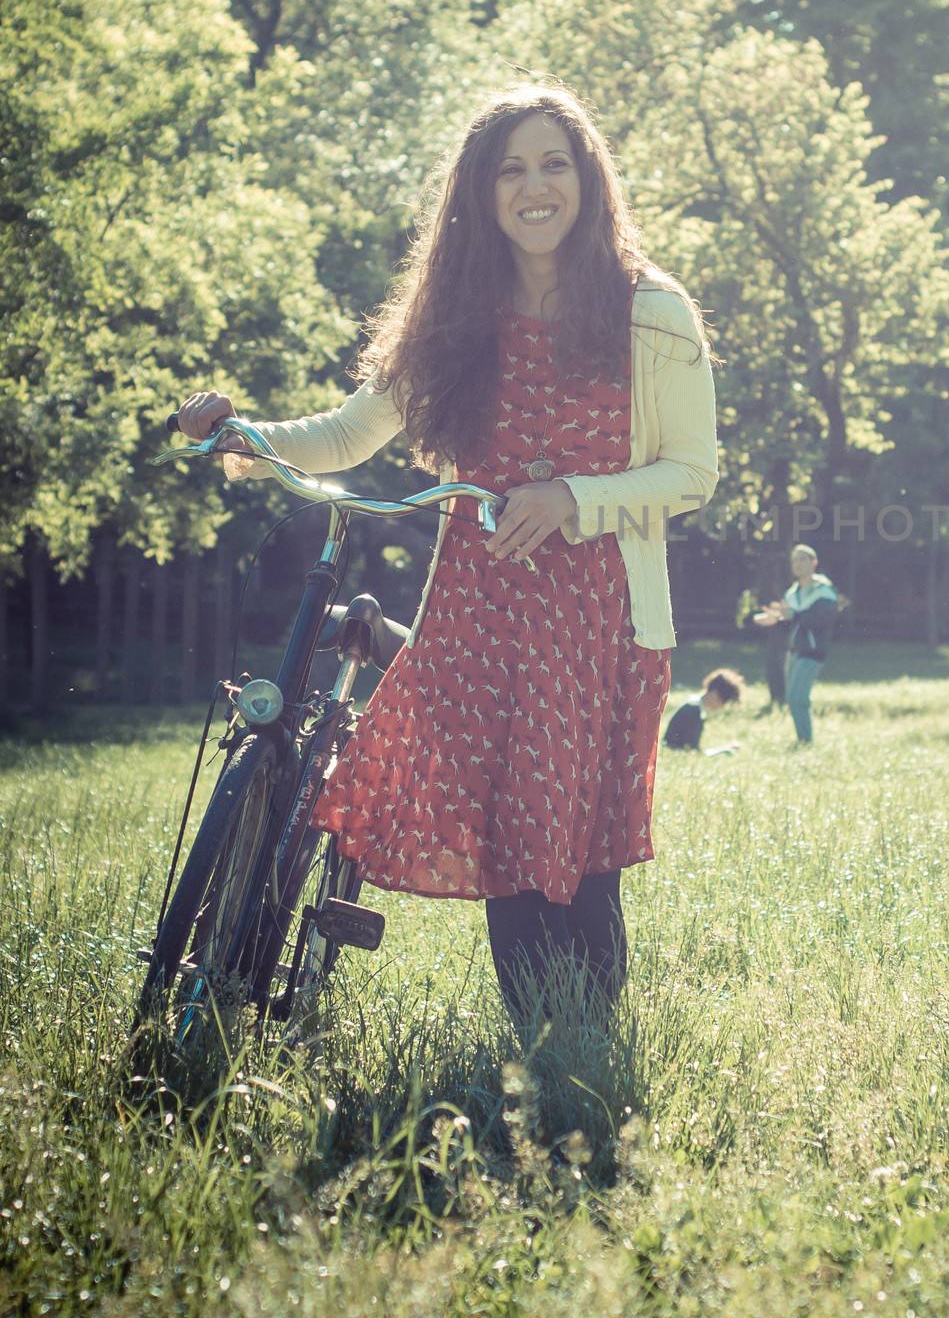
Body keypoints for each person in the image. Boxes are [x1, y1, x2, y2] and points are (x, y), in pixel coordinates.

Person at [174, 82, 718, 1030]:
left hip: (604, 616)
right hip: (477, 613)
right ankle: (543, 1040)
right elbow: (349, 436)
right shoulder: (455, 315)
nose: (535, 186)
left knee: (579, 856)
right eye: (511, 169)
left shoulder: (653, 313)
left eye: (556, 164)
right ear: (479, 192)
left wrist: (573, 500)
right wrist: (250, 437)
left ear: (589, 181)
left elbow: (692, 473)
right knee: (515, 838)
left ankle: (582, 1051)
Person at [753, 544, 839, 744]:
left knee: (797, 697)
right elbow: (790, 621)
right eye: (794, 560)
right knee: (793, 698)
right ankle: (803, 739)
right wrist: (775, 619)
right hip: (794, 651)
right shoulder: (792, 593)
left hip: (812, 651)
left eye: (803, 559)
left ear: (814, 562)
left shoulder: (824, 591)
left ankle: (806, 740)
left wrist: (793, 615)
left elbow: (821, 620)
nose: (798, 564)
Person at [662, 668, 744, 753]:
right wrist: (722, 751)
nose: (722, 706)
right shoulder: (694, 711)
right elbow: (693, 751)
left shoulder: (694, 706)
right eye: (724, 701)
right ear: (715, 693)